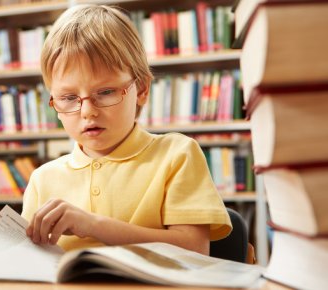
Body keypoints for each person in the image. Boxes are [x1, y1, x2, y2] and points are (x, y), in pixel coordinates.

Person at [21, 4, 231, 255]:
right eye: (68, 98)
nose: (87, 111)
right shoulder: (42, 179)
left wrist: (93, 225)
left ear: (141, 89)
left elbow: (195, 248)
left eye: (106, 92)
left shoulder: (177, 155)